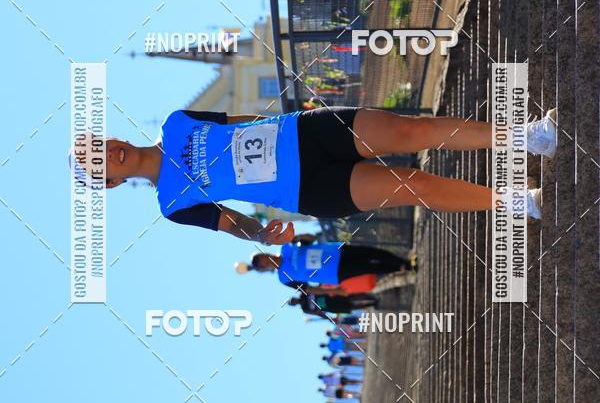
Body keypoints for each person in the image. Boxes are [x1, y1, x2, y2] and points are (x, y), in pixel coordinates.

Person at [70, 107, 557, 243]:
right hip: (308, 188)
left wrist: (286, 120)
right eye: (99, 164)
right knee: (415, 185)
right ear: (111, 185)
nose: (108, 153)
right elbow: (229, 223)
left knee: (414, 131)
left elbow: (243, 121)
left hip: (307, 134)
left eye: (101, 145)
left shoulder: (177, 123)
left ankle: (528, 136)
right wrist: (265, 232)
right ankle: (516, 202)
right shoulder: (172, 206)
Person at [235, 239, 411, 290]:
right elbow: (308, 289)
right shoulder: (283, 278)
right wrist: (331, 290)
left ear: (266, 253)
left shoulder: (287, 248)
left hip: (337, 251)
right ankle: (400, 267)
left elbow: (311, 239)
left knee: (371, 252)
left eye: (264, 258)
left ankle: (402, 261)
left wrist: (299, 239)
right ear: (265, 269)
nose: (267, 262)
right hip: (334, 273)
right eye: (263, 265)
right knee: (368, 267)